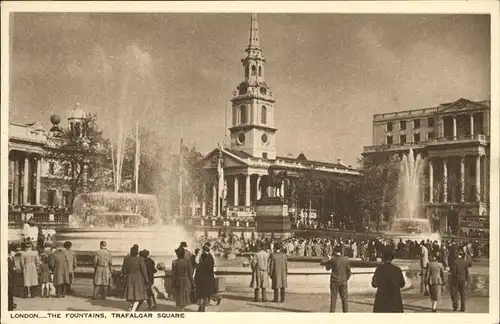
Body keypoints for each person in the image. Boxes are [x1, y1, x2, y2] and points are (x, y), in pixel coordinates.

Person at [371, 247, 406, 313]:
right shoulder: (397, 270)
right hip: (395, 301)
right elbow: (402, 284)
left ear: (383, 258)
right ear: (392, 259)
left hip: (381, 301)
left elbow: (374, 284)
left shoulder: (379, 269)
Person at [320, 245, 351, 312]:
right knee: (345, 300)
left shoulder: (333, 259)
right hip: (343, 281)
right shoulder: (346, 259)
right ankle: (346, 314)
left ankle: (332, 315)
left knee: (333, 299)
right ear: (341, 251)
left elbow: (326, 267)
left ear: (334, 251)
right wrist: (345, 279)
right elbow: (349, 272)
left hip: (334, 281)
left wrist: (328, 258)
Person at [122, 245, 149, 311]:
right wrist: (147, 280)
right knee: (138, 296)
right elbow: (144, 270)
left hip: (129, 277)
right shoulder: (140, 259)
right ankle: (133, 310)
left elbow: (123, 270)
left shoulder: (126, 259)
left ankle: (130, 307)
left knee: (131, 294)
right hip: (138, 279)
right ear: (137, 252)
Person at [194, 243, 217, 312]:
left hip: (202, 278)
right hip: (208, 278)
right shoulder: (210, 257)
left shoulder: (203, 258)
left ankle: (201, 307)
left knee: (201, 294)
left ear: (203, 251)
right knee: (204, 295)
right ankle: (202, 307)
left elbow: (197, 264)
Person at [8, 244, 17, 310]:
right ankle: (10, 305)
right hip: (10, 278)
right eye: (14, 252)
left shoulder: (11, 258)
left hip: (12, 278)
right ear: (11, 252)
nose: (15, 253)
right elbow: (12, 269)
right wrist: (14, 269)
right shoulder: (8, 259)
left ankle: (11, 304)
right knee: (10, 292)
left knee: (11, 292)